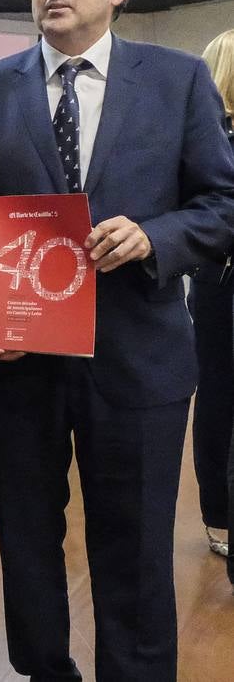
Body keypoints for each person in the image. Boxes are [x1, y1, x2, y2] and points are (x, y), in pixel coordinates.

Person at [0, 0, 234, 681]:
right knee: (27, 541)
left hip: (138, 361)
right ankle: (44, 671)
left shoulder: (177, 80)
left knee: (133, 547)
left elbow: (223, 205)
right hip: (16, 362)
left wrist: (155, 238)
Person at [190, 28, 234, 563]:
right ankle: (220, 515)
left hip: (212, 282)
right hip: (220, 283)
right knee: (220, 395)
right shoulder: (211, 136)